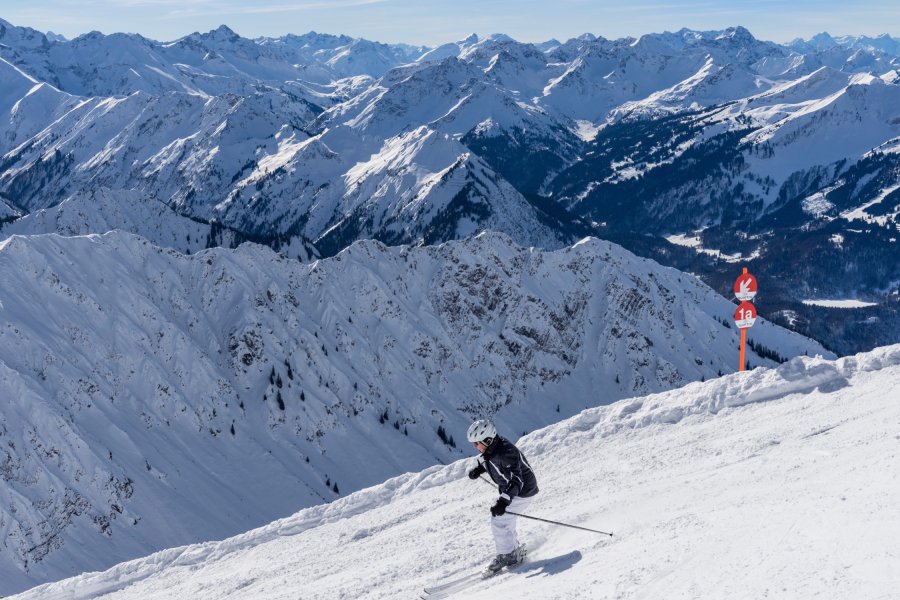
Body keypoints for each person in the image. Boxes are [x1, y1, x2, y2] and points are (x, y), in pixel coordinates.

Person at [466, 418, 539, 574]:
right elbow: (491, 461)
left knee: (499, 520)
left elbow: (516, 480)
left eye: (476, 443)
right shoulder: (492, 448)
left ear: (487, 439)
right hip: (516, 489)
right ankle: (513, 551)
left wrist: (503, 502)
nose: (474, 446)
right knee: (506, 520)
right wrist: (479, 469)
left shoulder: (506, 453)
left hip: (523, 490)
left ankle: (507, 555)